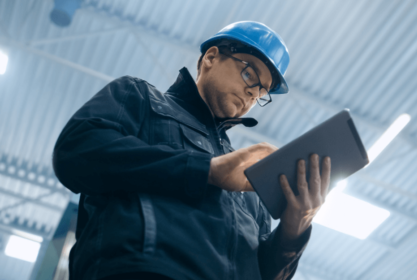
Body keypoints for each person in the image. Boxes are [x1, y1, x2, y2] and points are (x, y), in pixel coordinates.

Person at [52, 21, 331, 280]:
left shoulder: (248, 183)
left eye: (261, 92)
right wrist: (205, 170)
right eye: (249, 73)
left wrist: (293, 232)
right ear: (211, 57)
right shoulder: (139, 98)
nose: (252, 94)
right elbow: (76, 151)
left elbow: (262, 271)